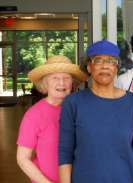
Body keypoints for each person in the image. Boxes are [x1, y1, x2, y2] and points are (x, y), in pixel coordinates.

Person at [58, 40, 133, 183]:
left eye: (111, 61)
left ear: (117, 67)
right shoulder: (73, 103)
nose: (104, 66)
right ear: (89, 67)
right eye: (98, 60)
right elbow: (65, 153)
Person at [16, 55, 87, 183]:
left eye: (66, 78)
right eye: (55, 78)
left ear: (72, 82)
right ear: (45, 82)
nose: (61, 83)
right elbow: (22, 159)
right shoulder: (34, 114)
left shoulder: (81, 109)